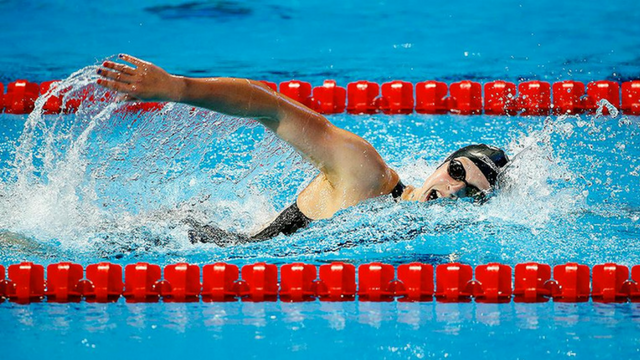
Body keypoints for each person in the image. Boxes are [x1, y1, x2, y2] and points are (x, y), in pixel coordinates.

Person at [96, 54, 509, 247]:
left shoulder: (427, 237)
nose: (454, 190)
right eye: (457, 172)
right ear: (441, 163)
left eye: (472, 194)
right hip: (184, 246)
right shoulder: (366, 175)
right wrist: (178, 88)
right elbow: (271, 107)